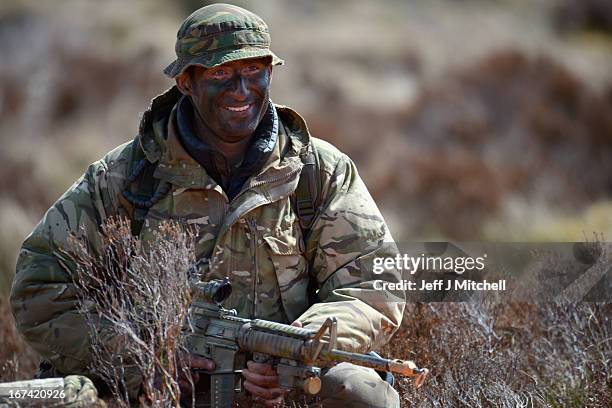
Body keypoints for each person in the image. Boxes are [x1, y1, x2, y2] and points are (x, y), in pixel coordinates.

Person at [10, 3, 405, 407]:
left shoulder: (319, 171)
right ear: (186, 81)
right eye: (221, 73)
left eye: (254, 71)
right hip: (151, 388)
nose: (241, 89)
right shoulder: (123, 177)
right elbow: (39, 290)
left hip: (278, 387)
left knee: (365, 393)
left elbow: (375, 286)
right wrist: (144, 358)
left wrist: (296, 347)